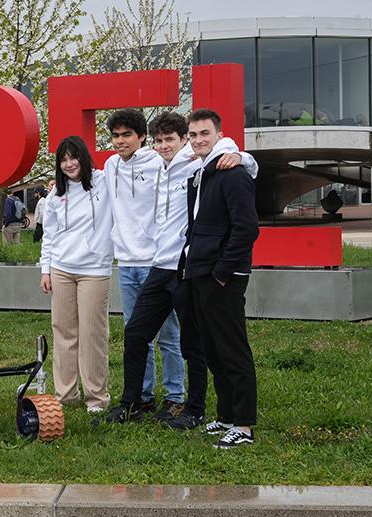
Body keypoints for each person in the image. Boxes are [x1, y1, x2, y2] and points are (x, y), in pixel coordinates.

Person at [95, 112, 257, 430]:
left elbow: (235, 158)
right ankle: (132, 404)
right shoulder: (156, 164)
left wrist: (241, 156)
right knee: (136, 333)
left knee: (193, 343)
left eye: (170, 139)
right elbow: (120, 161)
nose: (164, 146)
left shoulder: (196, 164)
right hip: (159, 265)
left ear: (183, 140)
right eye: (158, 140)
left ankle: (193, 409)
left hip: (187, 268)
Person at [180, 108, 260, 449]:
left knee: (232, 349)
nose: (199, 139)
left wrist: (223, 273)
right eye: (193, 134)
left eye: (205, 134)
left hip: (223, 276)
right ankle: (227, 416)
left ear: (219, 135)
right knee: (213, 349)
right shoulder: (203, 172)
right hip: (200, 271)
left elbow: (247, 229)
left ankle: (244, 425)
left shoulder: (233, 172)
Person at [103, 109, 185, 420]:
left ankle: (175, 396)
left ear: (142, 137)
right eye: (115, 136)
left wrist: (236, 154)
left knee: (168, 334)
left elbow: (203, 153)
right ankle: (143, 395)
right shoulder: (110, 166)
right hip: (126, 264)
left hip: (156, 263)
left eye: (127, 135)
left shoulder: (158, 162)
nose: (120, 141)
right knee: (136, 334)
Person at [39, 136, 114, 413]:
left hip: (94, 271)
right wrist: (46, 269)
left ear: (84, 157)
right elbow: (49, 235)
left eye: (74, 157)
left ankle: (96, 397)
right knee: (63, 332)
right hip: (61, 269)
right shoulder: (55, 195)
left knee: (93, 334)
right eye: (63, 159)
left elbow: (136, 161)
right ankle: (66, 394)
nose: (69, 164)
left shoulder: (104, 181)